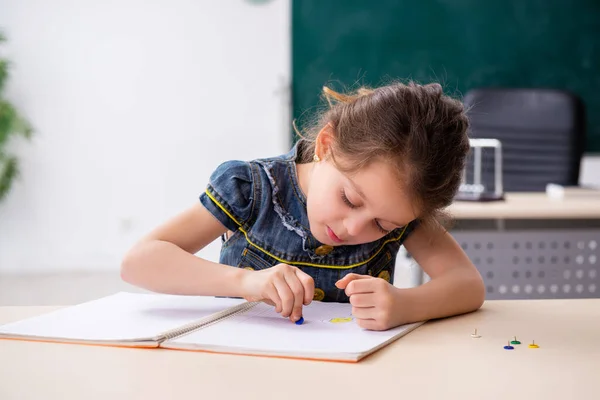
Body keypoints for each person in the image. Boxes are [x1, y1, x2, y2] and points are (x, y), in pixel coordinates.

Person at [121, 81, 485, 331]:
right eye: (350, 199)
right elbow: (139, 262)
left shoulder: (405, 206)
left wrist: (406, 305)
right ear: (327, 144)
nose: (354, 228)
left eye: (383, 225)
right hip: (240, 370)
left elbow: (467, 283)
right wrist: (245, 281)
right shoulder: (252, 187)